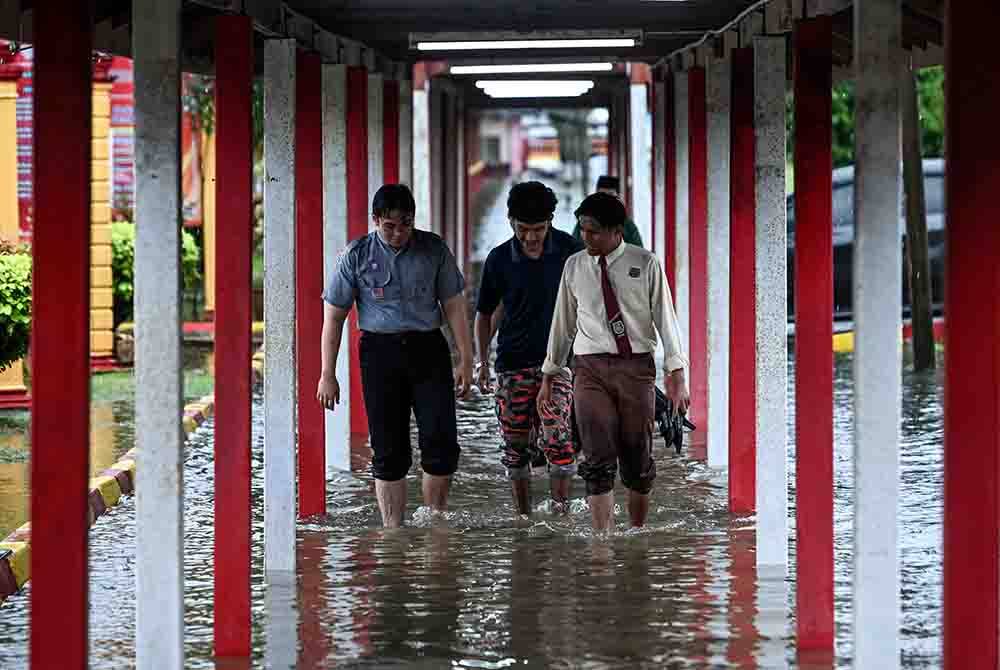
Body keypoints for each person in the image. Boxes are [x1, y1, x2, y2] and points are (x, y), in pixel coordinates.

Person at [316, 184, 474, 528]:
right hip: (380, 353)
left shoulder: (433, 249)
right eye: (389, 226)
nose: (398, 233)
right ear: (375, 221)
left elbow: (454, 305)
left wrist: (466, 357)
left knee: (441, 440)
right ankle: (393, 531)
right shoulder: (356, 255)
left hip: (428, 349)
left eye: (405, 224)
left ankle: (435, 520)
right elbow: (334, 316)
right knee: (388, 447)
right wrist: (327, 373)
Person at [539, 192, 689, 532]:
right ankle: (601, 539)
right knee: (596, 455)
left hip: (635, 368)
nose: (584, 237)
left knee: (637, 458)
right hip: (588, 368)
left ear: (616, 230)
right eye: (582, 230)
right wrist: (550, 373)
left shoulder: (646, 263)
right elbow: (562, 321)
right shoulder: (575, 266)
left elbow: (667, 320)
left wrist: (676, 374)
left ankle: (636, 533)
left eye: (592, 231)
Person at [475, 181, 585, 516]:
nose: (531, 238)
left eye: (538, 229)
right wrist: (482, 362)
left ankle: (559, 513)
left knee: (559, 441)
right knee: (515, 446)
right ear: (510, 221)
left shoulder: (572, 252)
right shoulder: (498, 260)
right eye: (524, 229)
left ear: (551, 219)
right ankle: (523, 517)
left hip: (560, 363)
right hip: (511, 364)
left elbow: (589, 305)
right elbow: (485, 314)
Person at [571, 175, 644, 247]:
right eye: (602, 195)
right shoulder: (584, 222)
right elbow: (573, 249)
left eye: (610, 195)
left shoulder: (626, 225)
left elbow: (638, 253)